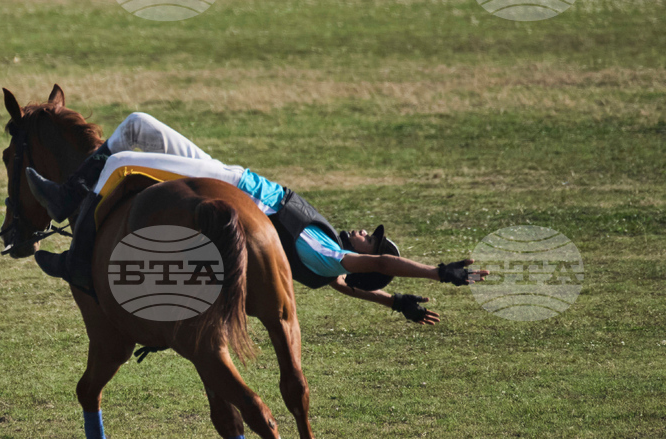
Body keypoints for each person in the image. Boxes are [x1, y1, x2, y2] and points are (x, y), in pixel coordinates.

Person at [26, 113, 486, 324]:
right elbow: (349, 287)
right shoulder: (325, 264)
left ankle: (68, 218)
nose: (367, 234)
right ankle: (71, 203)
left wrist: (440, 272)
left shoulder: (328, 255)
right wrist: (395, 302)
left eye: (373, 240)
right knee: (135, 126)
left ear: (365, 260)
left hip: (229, 184)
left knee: (122, 161)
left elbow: (374, 269)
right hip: (229, 173)